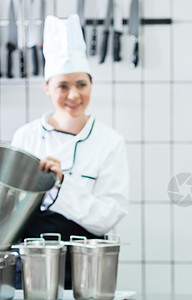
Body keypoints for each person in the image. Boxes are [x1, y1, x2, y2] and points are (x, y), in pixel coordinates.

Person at [11, 14, 129, 288]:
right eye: (63, 86)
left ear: (91, 86)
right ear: (47, 88)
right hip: (29, 267)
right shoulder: (27, 137)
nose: (73, 95)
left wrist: (61, 184)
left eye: (81, 85)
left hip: (86, 268)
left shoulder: (109, 141)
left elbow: (107, 217)